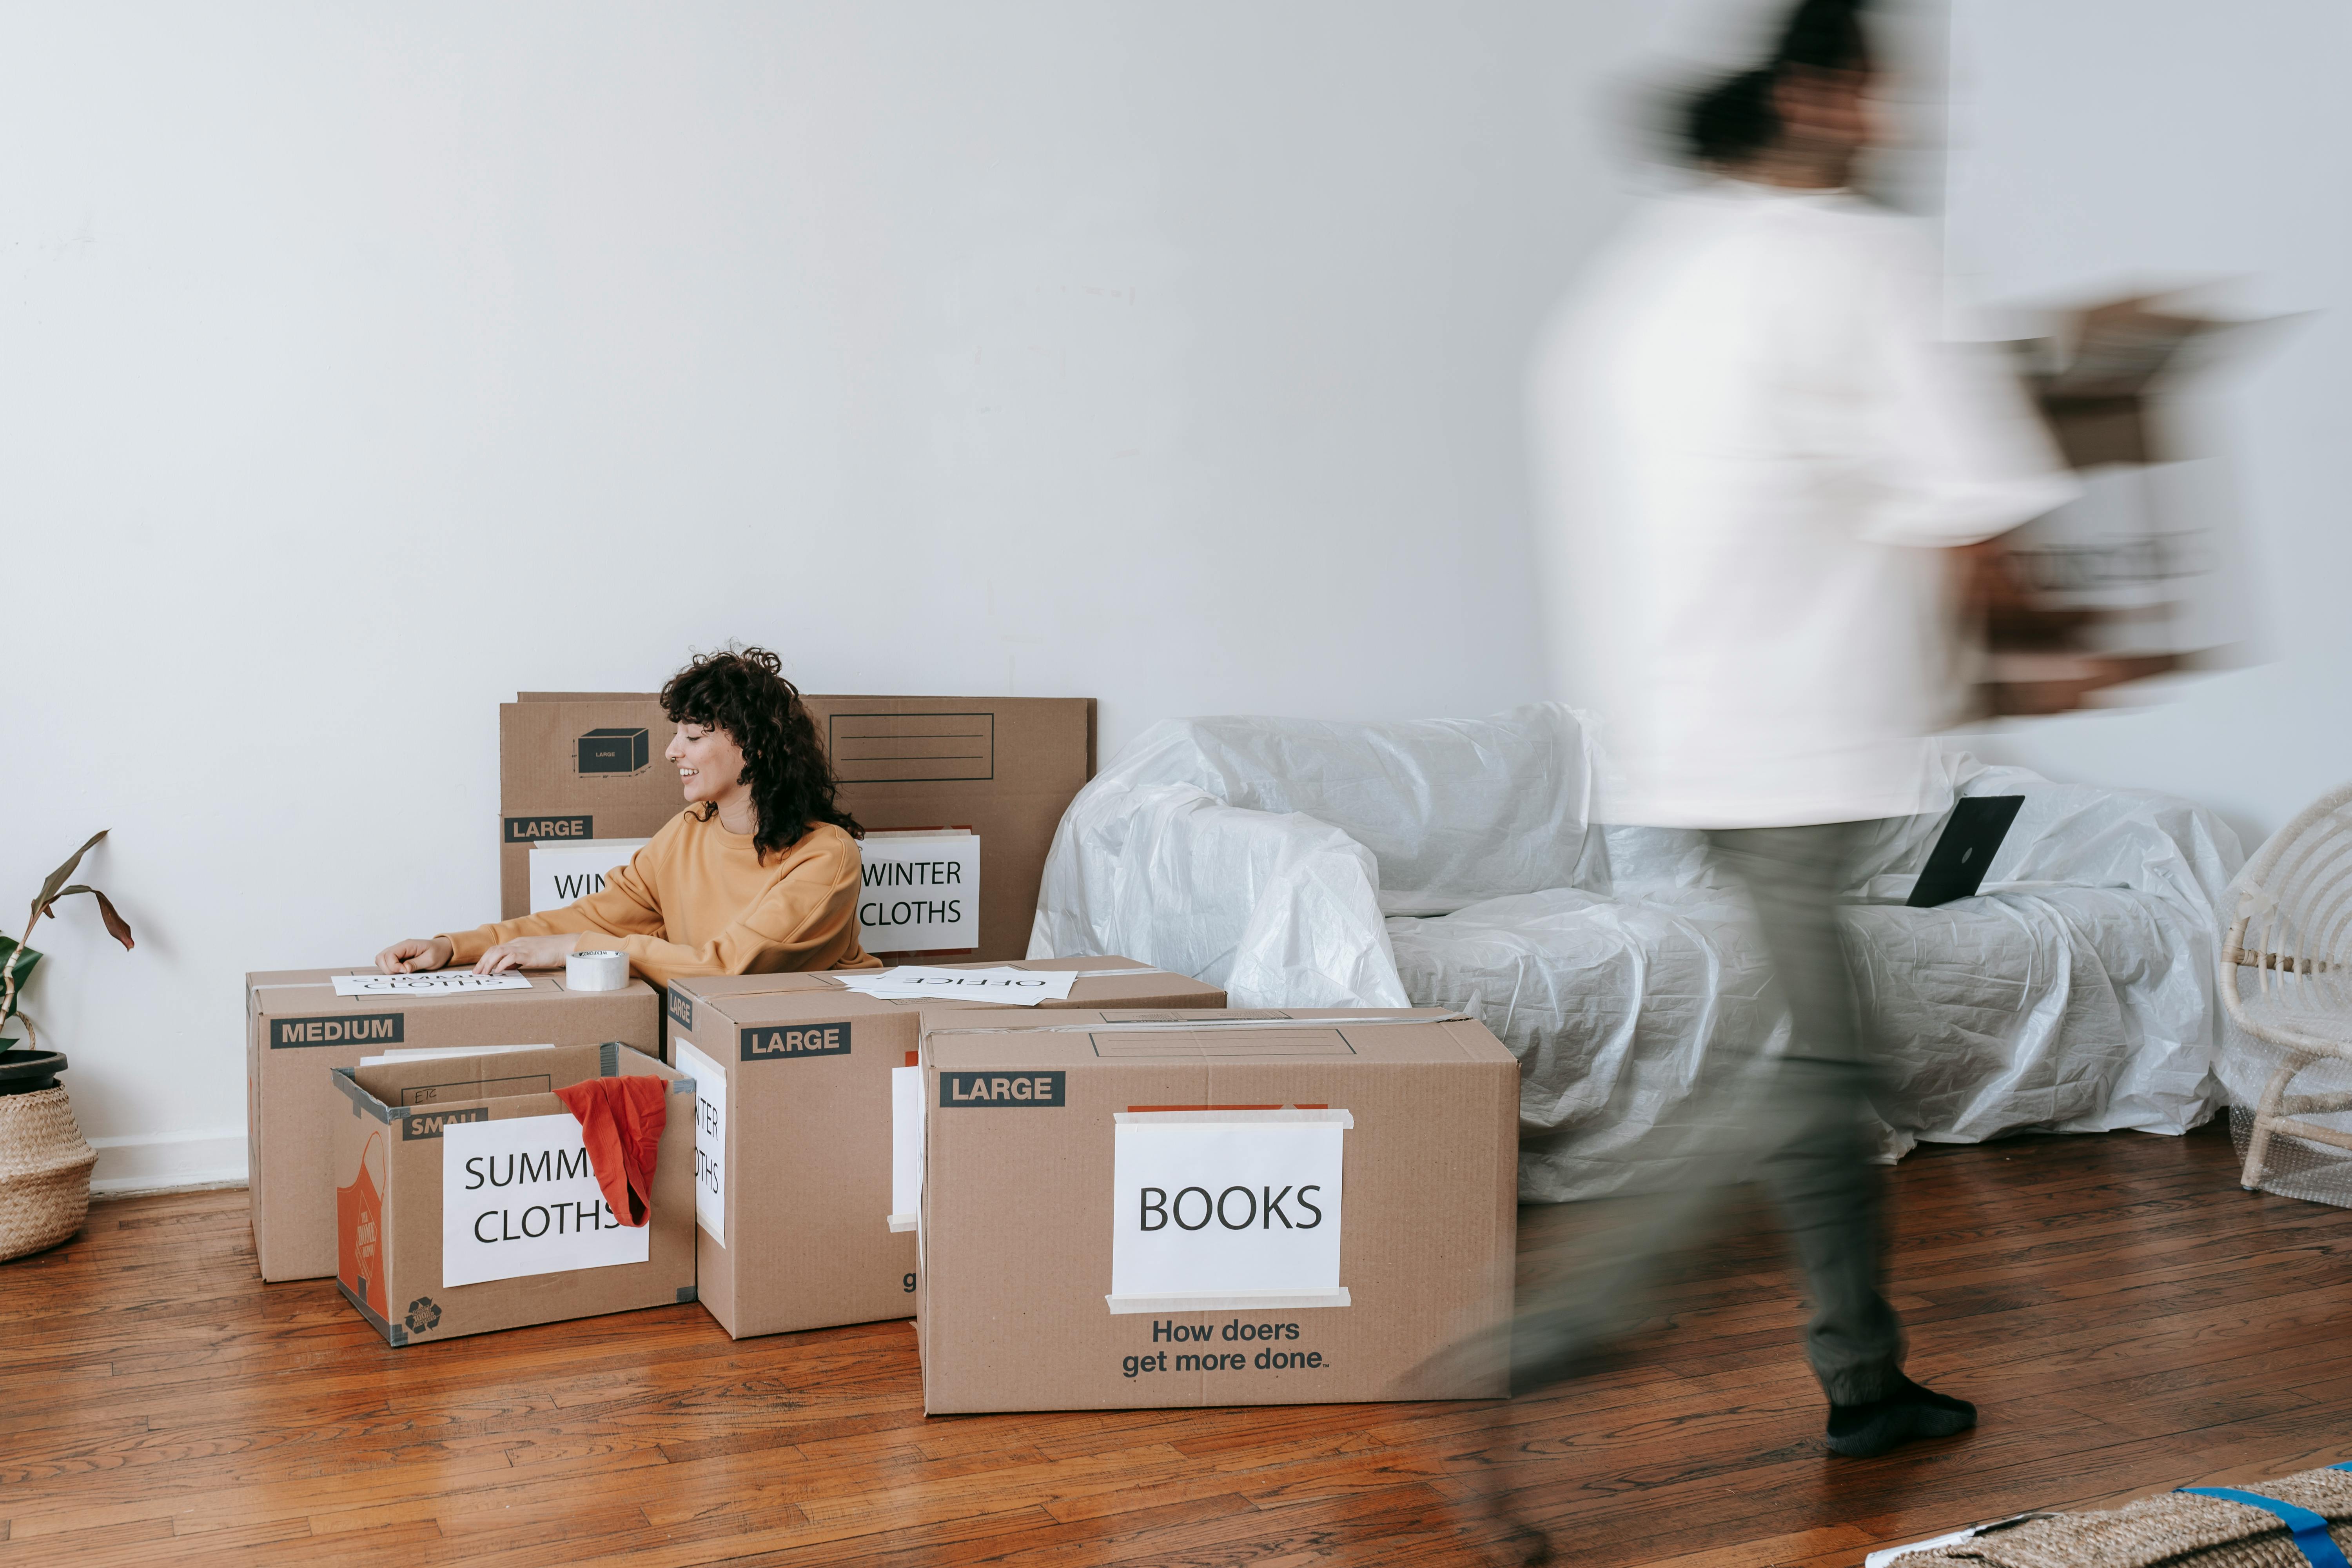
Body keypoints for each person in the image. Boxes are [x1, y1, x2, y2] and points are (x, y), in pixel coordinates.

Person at [1477, 0, 2080, 1557]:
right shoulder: (1854, 258)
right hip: (1805, 740)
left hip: (1699, 743)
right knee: (1835, 1077)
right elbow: (1978, 507)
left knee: (1825, 1074)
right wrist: (2067, 645)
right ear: (1822, 97)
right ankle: (1541, 1341)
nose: (1899, 120)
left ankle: (1865, 1380)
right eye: (1884, 92)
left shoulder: (1640, 282)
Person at [376, 648, 881, 985]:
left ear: (754, 746)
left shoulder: (826, 856)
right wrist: (452, 946)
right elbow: (593, 916)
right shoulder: (688, 834)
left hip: (828, 1059)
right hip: (713, 1047)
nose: (670, 752)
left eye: (694, 736)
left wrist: (578, 949)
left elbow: (732, 968)